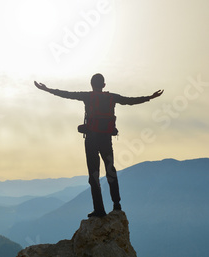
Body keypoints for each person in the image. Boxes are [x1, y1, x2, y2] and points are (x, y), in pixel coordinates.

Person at [34, 73, 163, 217]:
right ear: (104, 85)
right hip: (106, 140)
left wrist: (47, 89)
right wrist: (150, 97)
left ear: (91, 84)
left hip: (91, 140)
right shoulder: (111, 97)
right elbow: (130, 101)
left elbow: (66, 94)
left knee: (93, 175)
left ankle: (99, 210)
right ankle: (117, 205)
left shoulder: (87, 96)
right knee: (110, 171)